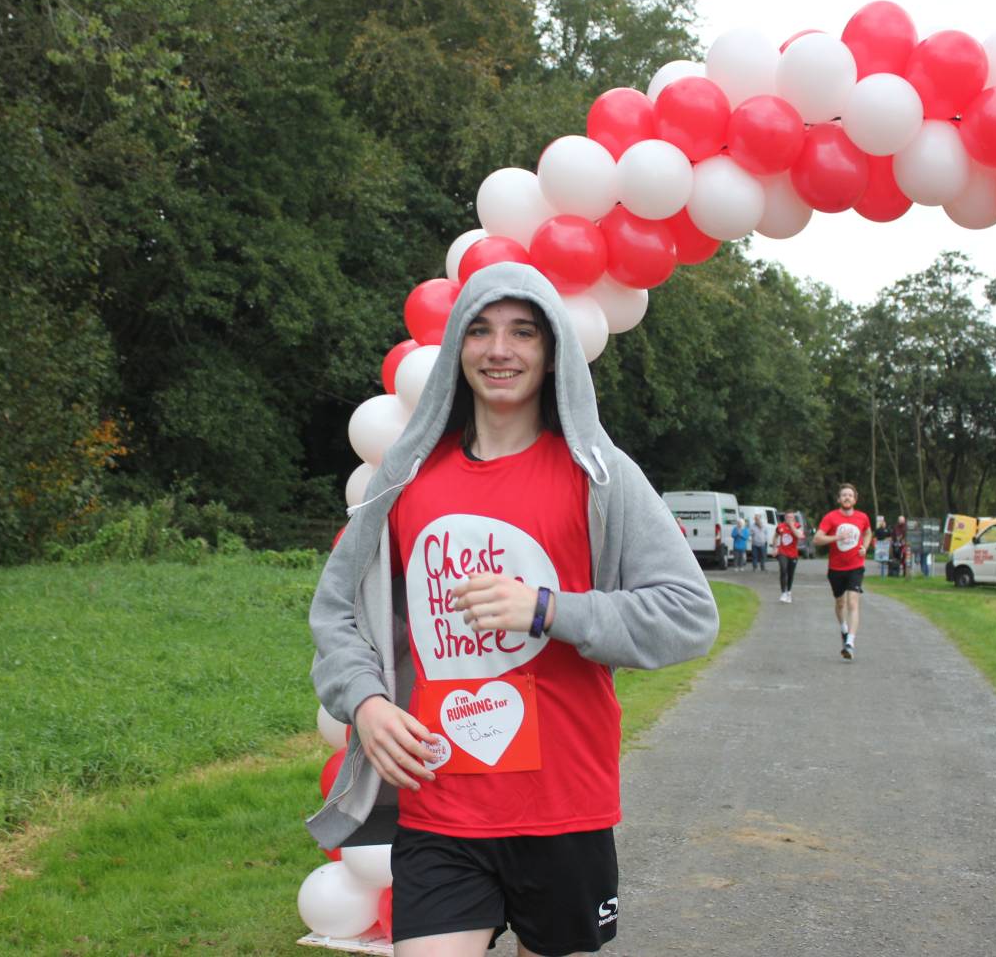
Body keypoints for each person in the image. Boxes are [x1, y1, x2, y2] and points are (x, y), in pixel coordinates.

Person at [307, 262, 719, 957]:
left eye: (523, 331)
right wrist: (367, 702)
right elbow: (336, 611)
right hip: (440, 804)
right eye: (480, 330)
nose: (500, 349)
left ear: (553, 350)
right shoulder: (406, 479)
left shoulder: (601, 476)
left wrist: (549, 610)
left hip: (564, 806)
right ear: (457, 350)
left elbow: (688, 615)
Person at [814, 483, 872, 660]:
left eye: (850, 495)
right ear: (839, 499)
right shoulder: (830, 517)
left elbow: (868, 532)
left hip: (856, 566)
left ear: (855, 499)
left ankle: (850, 643)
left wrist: (865, 547)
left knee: (853, 602)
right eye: (844, 495)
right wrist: (837, 537)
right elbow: (817, 539)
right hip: (836, 568)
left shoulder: (862, 517)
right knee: (840, 603)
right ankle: (844, 629)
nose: (847, 497)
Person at [773, 511, 803, 602]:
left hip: (793, 554)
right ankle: (783, 593)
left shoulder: (797, 526)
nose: (789, 519)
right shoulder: (780, 527)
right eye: (788, 517)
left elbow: (799, 535)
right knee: (783, 569)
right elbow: (775, 536)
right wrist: (775, 548)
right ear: (785, 518)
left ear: (794, 519)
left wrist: (792, 526)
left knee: (790, 573)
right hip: (782, 552)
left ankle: (789, 591)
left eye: (791, 517)